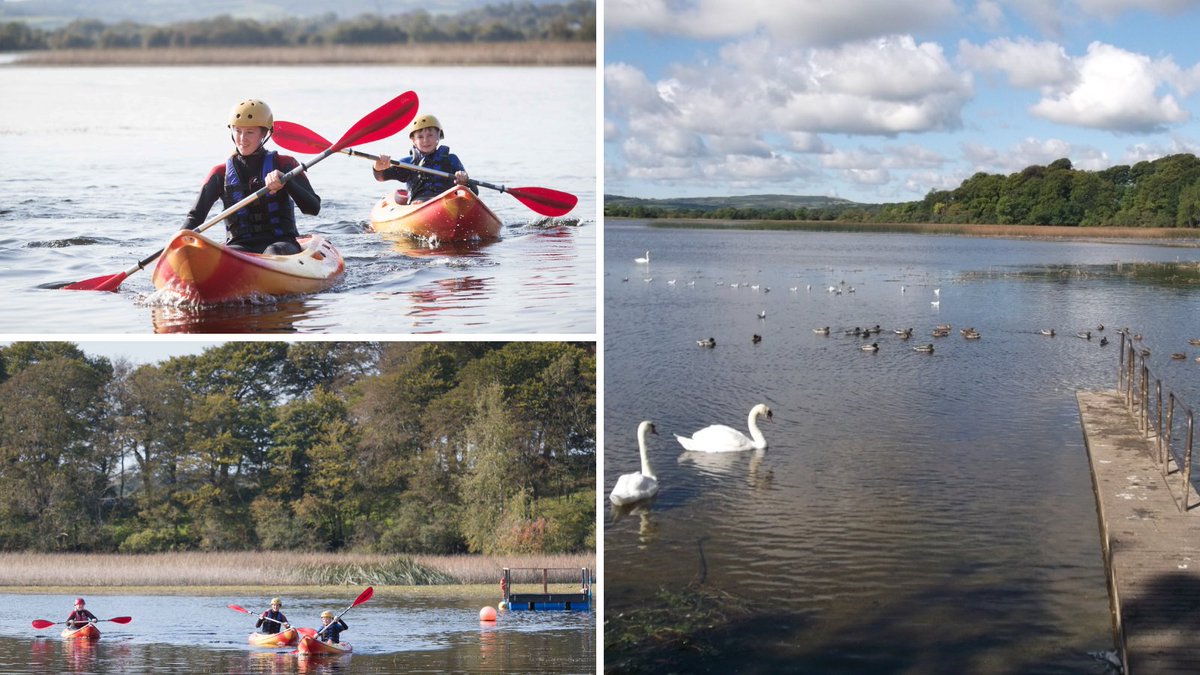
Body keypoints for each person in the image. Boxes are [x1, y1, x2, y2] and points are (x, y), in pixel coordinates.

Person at [183, 99, 321, 255]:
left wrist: (286, 181)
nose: (242, 138)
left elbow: (313, 208)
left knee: (273, 251)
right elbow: (195, 218)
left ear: (264, 133)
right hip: (239, 246)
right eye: (238, 131)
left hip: (281, 243)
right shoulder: (219, 173)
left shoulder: (284, 164)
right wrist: (176, 246)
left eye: (250, 132)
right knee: (228, 254)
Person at [372, 114, 476, 204]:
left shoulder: (451, 159)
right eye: (420, 137)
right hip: (419, 204)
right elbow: (381, 177)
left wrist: (463, 182)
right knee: (420, 202)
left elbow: (474, 191)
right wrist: (378, 166)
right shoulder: (408, 163)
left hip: (447, 201)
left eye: (430, 135)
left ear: (438, 136)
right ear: (413, 140)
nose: (426, 140)